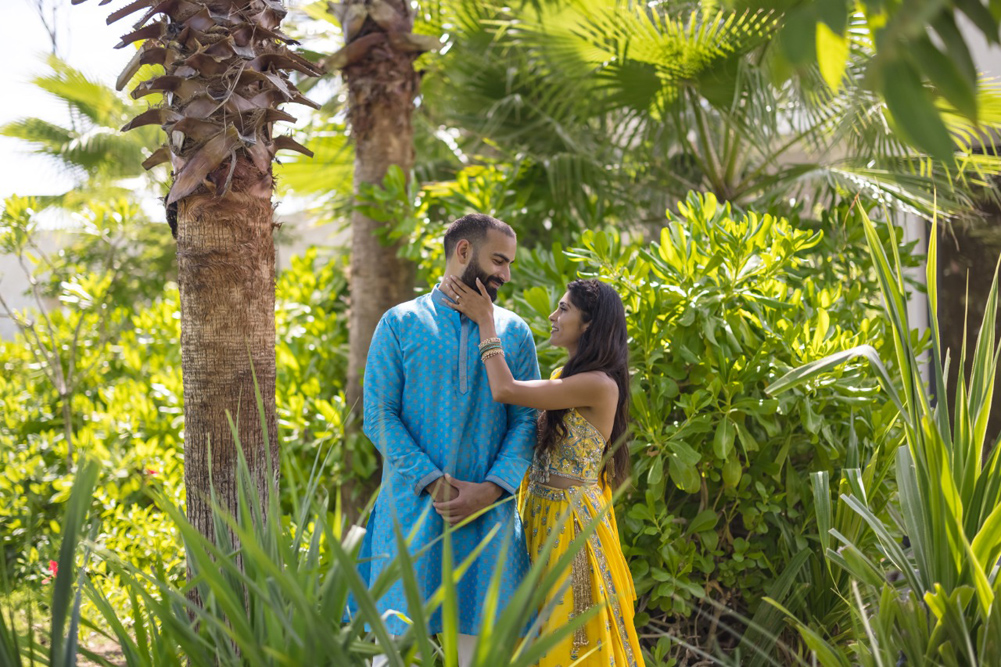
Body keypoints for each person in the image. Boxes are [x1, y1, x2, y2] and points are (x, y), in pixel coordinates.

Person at [356, 214, 541, 667]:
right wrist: (433, 482)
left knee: (484, 655)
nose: (505, 274)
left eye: (509, 264)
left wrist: (492, 489)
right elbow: (379, 415)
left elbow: (527, 422)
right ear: (463, 252)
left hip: (487, 517)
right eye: (498, 260)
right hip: (411, 512)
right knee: (391, 653)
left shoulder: (513, 332)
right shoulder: (400, 323)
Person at [440, 275, 645, 667]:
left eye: (564, 309)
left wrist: (487, 322)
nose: (553, 316)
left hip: (570, 526)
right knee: (533, 632)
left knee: (570, 636)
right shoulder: (565, 378)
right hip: (539, 515)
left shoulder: (599, 385)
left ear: (589, 324)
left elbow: (506, 390)